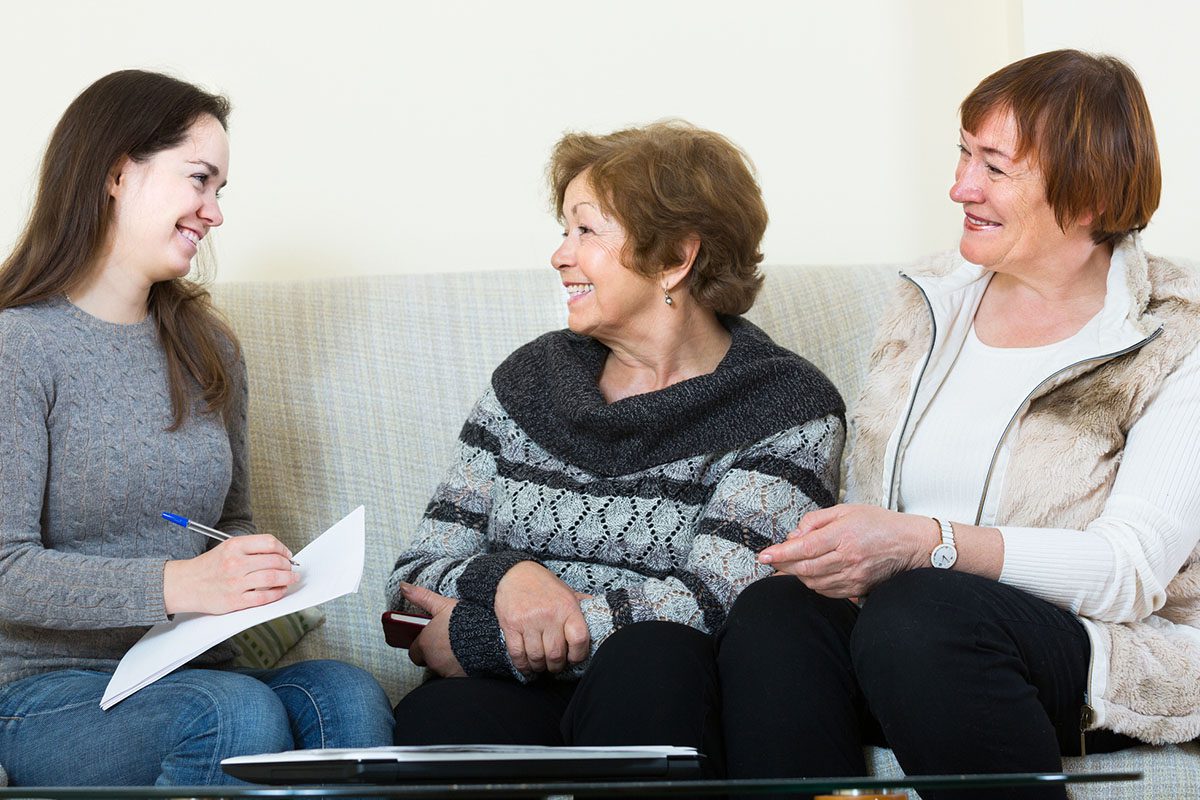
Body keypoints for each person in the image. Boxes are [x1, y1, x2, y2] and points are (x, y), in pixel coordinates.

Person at [716, 49, 1200, 799]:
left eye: (995, 168)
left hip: (1094, 647)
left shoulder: (1175, 335)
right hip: (907, 637)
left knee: (921, 610)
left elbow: (1129, 573)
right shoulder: (932, 297)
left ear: (1093, 198)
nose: (960, 187)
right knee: (778, 613)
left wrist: (924, 545)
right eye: (964, 155)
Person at [387, 121, 845, 770]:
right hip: (511, 699)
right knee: (437, 720)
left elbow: (714, 601)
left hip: (666, 692)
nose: (560, 255)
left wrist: (485, 636)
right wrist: (511, 575)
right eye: (563, 230)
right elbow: (413, 580)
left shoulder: (783, 406)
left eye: (586, 230)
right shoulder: (530, 379)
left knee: (652, 657)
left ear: (674, 259)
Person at [0, 70, 393, 787]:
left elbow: (232, 519)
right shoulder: (17, 348)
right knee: (231, 713)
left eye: (220, 191)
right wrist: (181, 582)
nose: (215, 213)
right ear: (119, 171)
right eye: (200, 180)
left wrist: (254, 567)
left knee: (346, 695)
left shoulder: (209, 347)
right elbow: (6, 570)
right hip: (42, 692)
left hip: (190, 665)